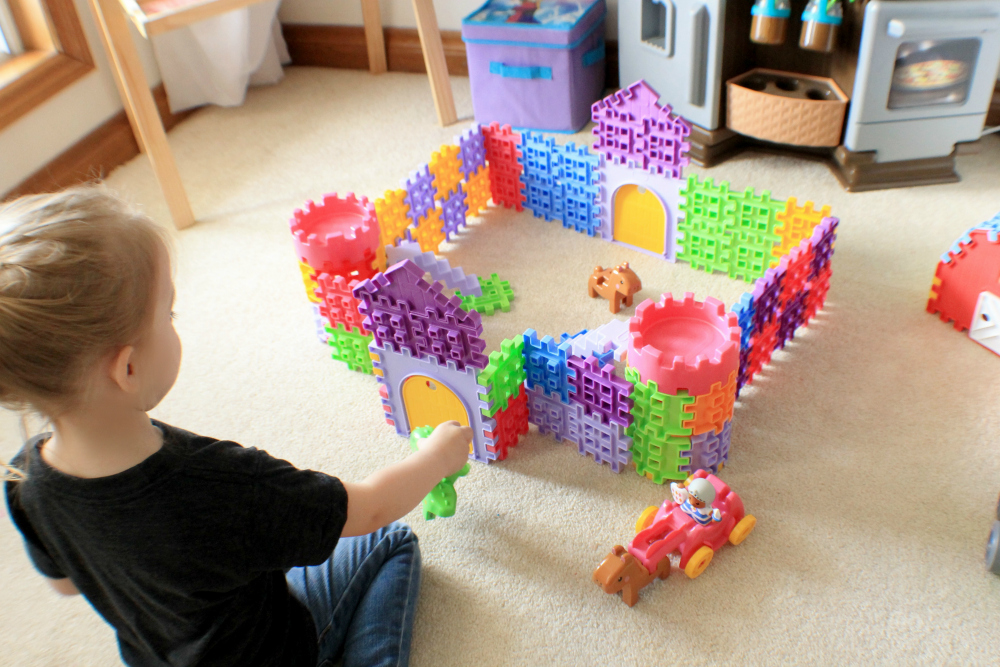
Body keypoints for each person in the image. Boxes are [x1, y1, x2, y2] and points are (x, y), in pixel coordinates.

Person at [0, 187, 473, 667]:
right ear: (127, 370)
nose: (173, 321)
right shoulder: (224, 487)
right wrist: (439, 456)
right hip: (279, 653)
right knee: (391, 542)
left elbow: (64, 583)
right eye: (168, 314)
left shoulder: (26, 481)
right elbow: (370, 510)